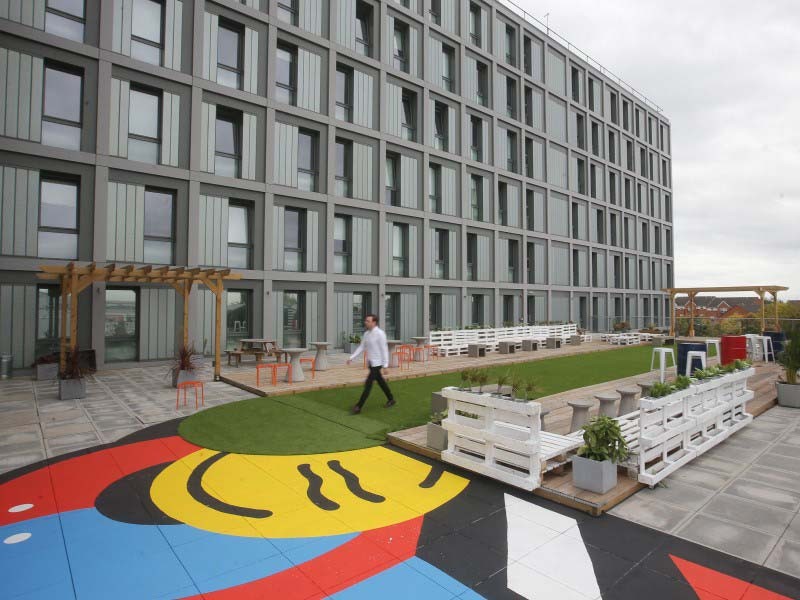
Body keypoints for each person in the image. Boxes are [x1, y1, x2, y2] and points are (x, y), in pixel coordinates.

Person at [346, 314, 395, 414]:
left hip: (377, 364)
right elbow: (361, 347)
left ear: (374, 322)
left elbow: (384, 350)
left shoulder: (380, 334)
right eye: (365, 320)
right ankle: (391, 399)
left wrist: (385, 365)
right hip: (371, 363)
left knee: (368, 385)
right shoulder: (366, 334)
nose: (365, 322)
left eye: (368, 321)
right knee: (381, 382)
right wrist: (351, 357)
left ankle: (358, 407)